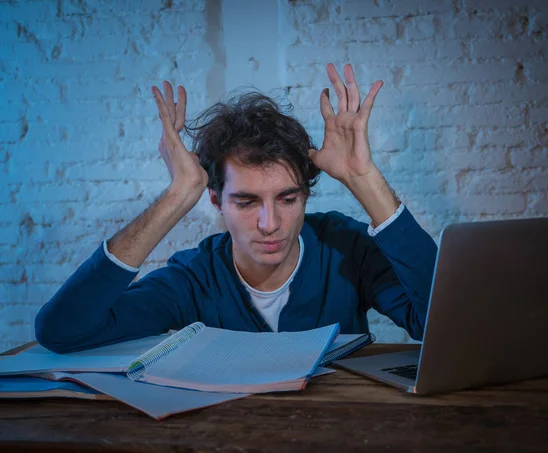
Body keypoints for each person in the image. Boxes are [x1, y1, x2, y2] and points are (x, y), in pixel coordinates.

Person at [35, 63, 438, 354]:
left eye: (287, 198)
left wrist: (361, 179)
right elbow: (63, 331)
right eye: (246, 202)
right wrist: (178, 194)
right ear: (216, 200)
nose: (270, 224)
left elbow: (438, 324)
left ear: (306, 197)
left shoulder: (345, 248)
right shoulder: (195, 278)